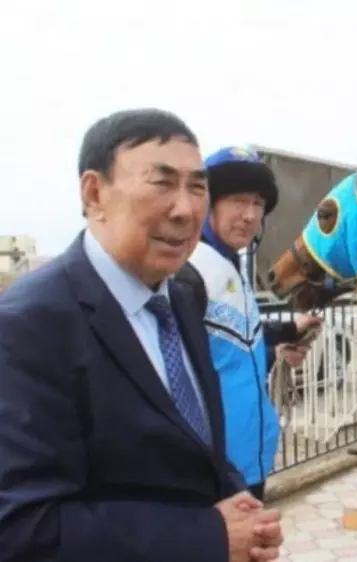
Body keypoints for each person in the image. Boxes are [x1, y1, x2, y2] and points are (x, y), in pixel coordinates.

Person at [0, 108, 284, 561]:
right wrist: (209, 536)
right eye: (162, 183)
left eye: (197, 187)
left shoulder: (182, 294)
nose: (185, 210)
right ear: (95, 193)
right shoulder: (28, 326)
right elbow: (23, 528)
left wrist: (239, 500)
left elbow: (195, 437)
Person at [173, 145, 321, 502]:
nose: (250, 215)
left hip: (248, 463)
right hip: (213, 473)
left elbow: (229, 350)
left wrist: (279, 346)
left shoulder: (230, 266)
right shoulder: (187, 274)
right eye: (238, 201)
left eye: (258, 204)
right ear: (207, 203)